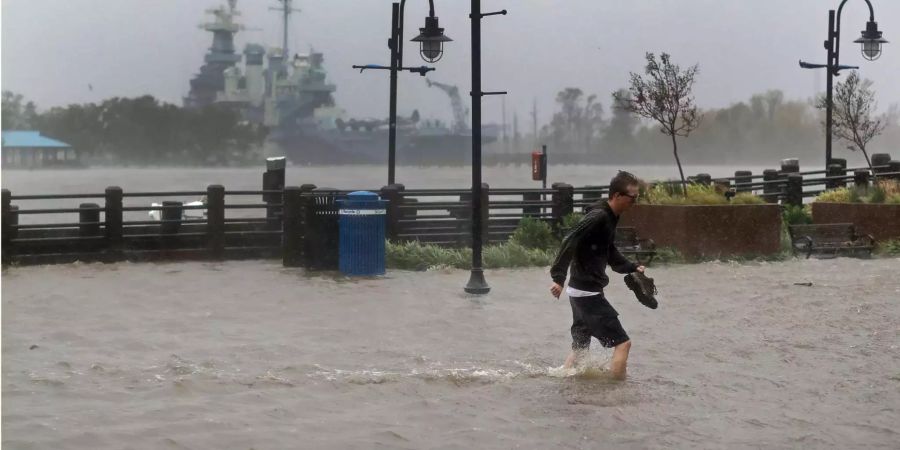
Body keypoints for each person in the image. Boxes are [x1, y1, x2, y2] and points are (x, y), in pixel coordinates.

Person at [549, 171, 645, 380]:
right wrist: (558, 277)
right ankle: (617, 392)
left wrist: (630, 266)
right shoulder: (599, 216)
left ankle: (562, 380)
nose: (635, 202)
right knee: (623, 343)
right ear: (617, 196)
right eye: (633, 197)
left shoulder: (611, 216)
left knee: (581, 347)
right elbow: (569, 239)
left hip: (581, 291)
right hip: (587, 293)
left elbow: (608, 250)